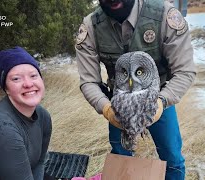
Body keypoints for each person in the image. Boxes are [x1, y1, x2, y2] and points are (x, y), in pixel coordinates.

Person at [75, 0, 196, 179]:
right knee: (120, 158)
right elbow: (88, 81)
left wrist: (161, 102)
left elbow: (185, 71)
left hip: (159, 97)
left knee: (172, 159)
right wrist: (107, 109)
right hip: (118, 103)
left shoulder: (164, 15)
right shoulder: (91, 26)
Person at [0, 46, 52, 180]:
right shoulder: (2, 127)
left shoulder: (43, 116)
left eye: (33, 75)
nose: (28, 84)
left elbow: (39, 162)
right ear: (6, 88)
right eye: (16, 79)